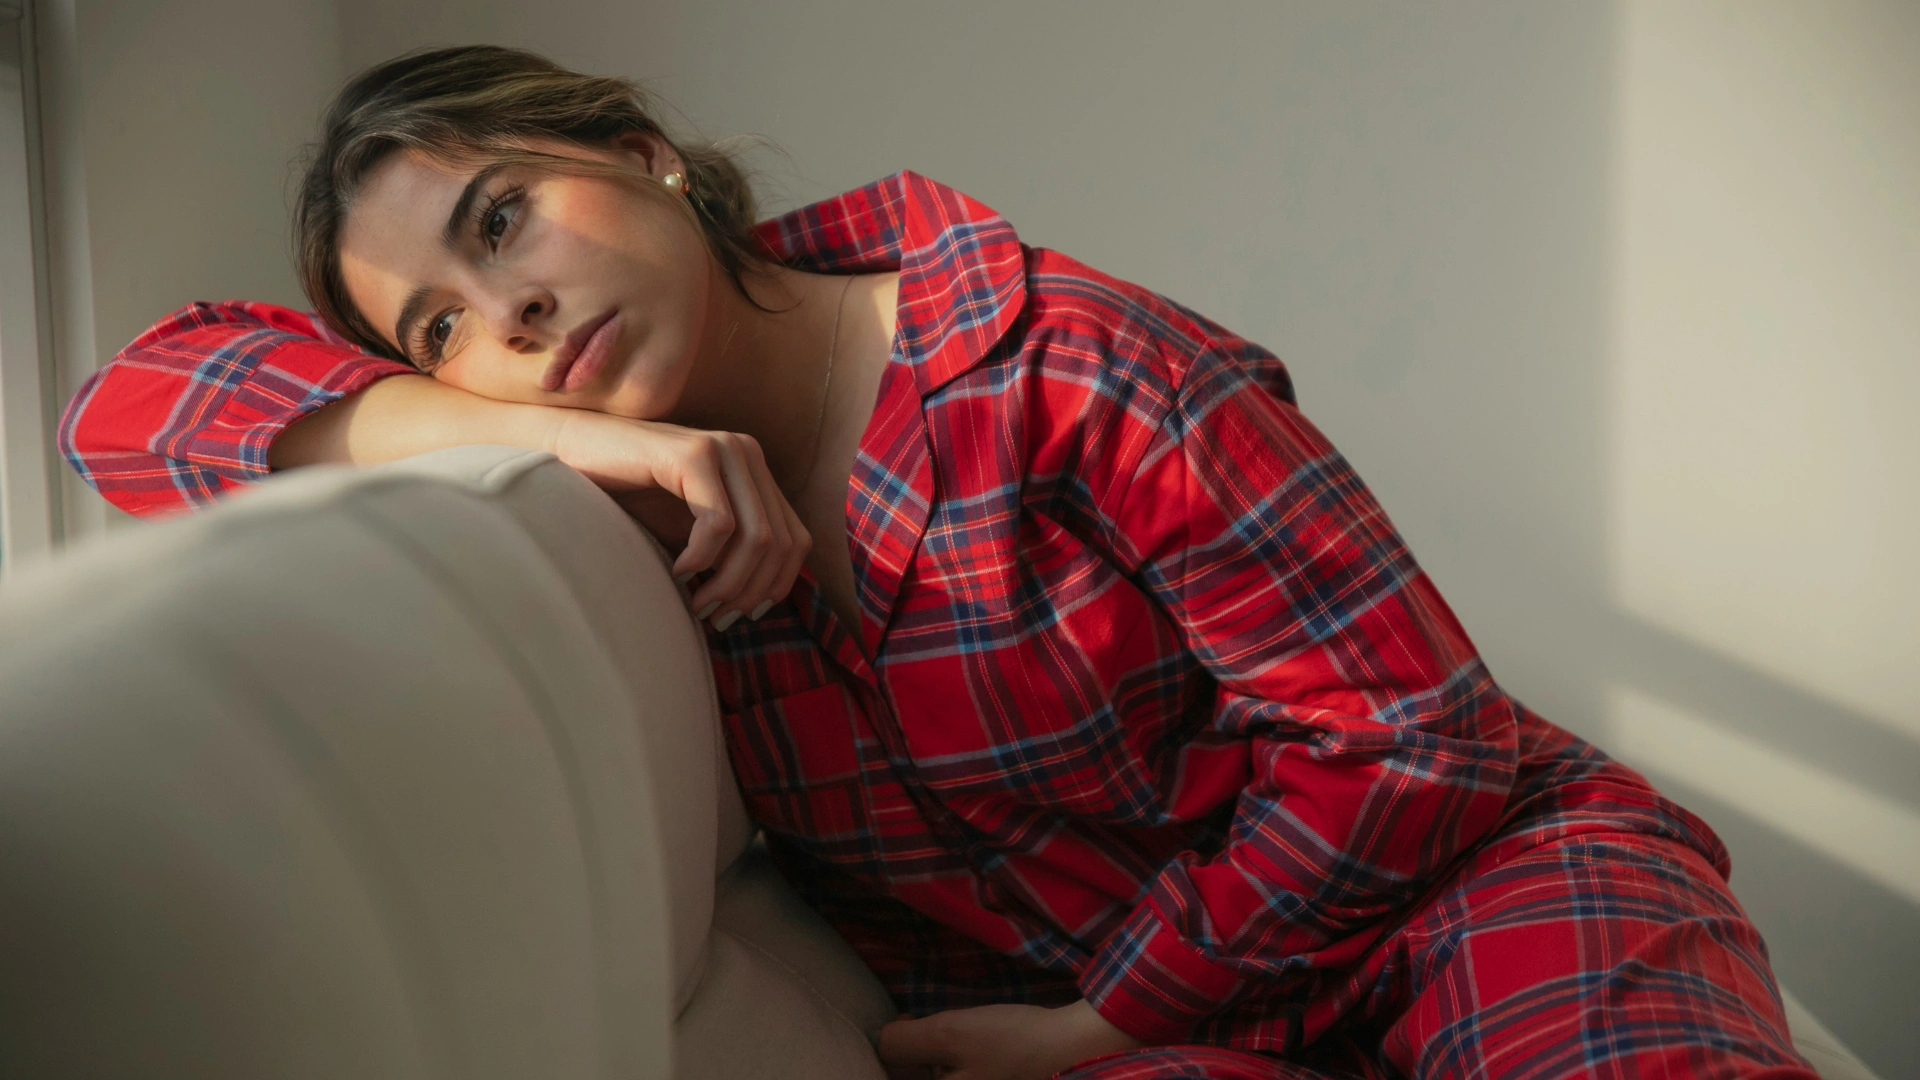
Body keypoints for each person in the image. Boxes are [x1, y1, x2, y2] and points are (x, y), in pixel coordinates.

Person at [58, 45, 1818, 1080]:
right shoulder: (615, 493)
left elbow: (1417, 742)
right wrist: (576, 440)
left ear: (643, 155)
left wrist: (1095, 1021)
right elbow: (130, 404)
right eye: (442, 324)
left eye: (501, 217)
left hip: (1461, 893)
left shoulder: (1071, 364)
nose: (503, 310)